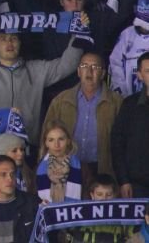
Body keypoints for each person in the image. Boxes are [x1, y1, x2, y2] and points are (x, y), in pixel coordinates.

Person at [0, 18, 86, 142]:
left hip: (25, 147)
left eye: (14, 38)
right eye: (3, 38)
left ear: (20, 43)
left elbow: (67, 64)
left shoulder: (36, 70)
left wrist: (78, 32)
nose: (9, 42)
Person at [41, 52, 123, 187]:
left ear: (103, 73)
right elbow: (46, 135)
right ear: (78, 71)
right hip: (66, 168)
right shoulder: (61, 100)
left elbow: (124, 142)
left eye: (95, 67)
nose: (89, 71)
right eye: (84, 66)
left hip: (103, 169)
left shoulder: (116, 102)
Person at [110, 51, 149, 198]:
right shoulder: (129, 105)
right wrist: (123, 180)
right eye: (148, 71)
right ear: (139, 75)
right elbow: (117, 144)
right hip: (136, 185)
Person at [37, 121, 83, 202]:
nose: (56, 145)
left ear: (68, 141)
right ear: (46, 143)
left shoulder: (81, 167)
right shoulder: (39, 169)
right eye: (51, 140)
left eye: (61, 139)